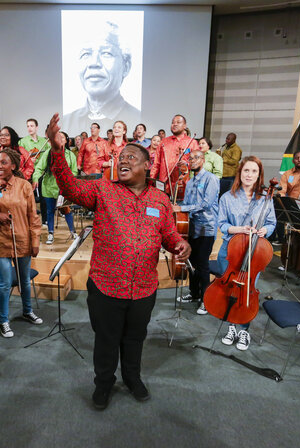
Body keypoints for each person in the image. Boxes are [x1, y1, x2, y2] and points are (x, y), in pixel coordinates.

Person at [45, 113, 191, 410]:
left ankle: (132, 377)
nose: (123, 161)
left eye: (131, 157)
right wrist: (57, 149)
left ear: (148, 165)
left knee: (135, 339)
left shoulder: (160, 200)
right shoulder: (103, 190)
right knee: (107, 340)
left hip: (144, 289)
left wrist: (180, 244)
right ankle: (103, 383)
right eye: (121, 157)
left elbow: (168, 233)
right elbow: (69, 186)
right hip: (106, 287)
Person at [0, 148, 43, 338]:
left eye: (3, 163)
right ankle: (3, 321)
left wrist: (35, 240)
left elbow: (33, 216)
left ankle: (27, 311)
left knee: (24, 281)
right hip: (0, 242)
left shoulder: (24, 186)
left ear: (13, 166)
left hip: (22, 240)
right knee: (5, 284)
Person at [217, 156, 276, 350]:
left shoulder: (266, 198)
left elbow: (271, 223)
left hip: (254, 253)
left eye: (254, 171)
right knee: (230, 291)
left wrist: (265, 230)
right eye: (246, 171)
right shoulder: (227, 197)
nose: (249, 175)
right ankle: (231, 326)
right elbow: (222, 225)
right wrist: (240, 229)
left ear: (259, 175)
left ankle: (244, 330)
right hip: (231, 251)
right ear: (239, 172)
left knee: (247, 293)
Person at [63, 21, 141, 136]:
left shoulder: (138, 119)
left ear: (126, 66)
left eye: (106, 53)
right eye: (85, 54)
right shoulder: (66, 123)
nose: (93, 63)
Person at [175, 150, 219, 315]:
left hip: (206, 227)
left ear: (203, 160)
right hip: (192, 226)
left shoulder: (211, 179)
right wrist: (176, 205)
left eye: (196, 158)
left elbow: (206, 204)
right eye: (190, 158)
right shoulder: (191, 181)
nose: (192, 161)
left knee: (202, 264)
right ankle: (194, 294)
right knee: (191, 262)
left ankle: (205, 300)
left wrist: (182, 207)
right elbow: (186, 202)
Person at [33, 131, 78, 245]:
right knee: (50, 211)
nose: (60, 139)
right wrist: (35, 179)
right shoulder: (48, 153)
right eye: (57, 137)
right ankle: (50, 233)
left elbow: (74, 171)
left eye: (62, 137)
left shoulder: (70, 155)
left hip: (64, 188)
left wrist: (68, 180)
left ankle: (73, 232)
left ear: (66, 140)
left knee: (67, 210)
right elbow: (38, 168)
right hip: (49, 187)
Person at [151, 115, 199, 196]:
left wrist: (187, 164)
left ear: (185, 126)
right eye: (173, 123)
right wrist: (151, 181)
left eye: (178, 122)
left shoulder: (192, 142)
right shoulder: (164, 142)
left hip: (183, 185)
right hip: (164, 184)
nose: (174, 124)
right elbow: (156, 164)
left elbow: (197, 162)